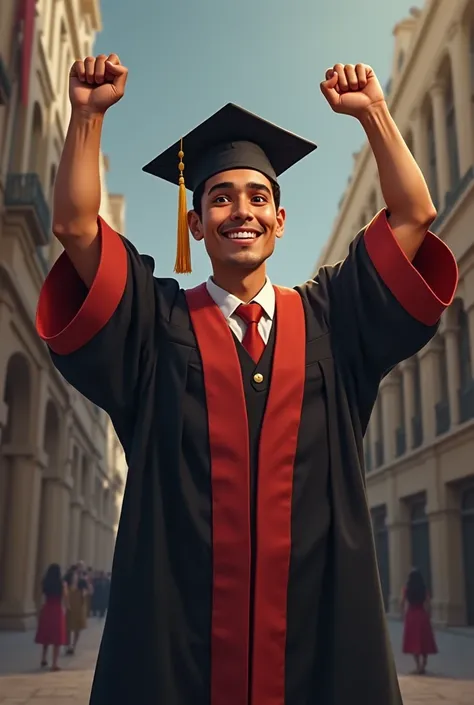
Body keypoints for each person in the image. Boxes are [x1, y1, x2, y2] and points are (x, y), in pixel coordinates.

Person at [35, 53, 458, 705]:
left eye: (259, 196)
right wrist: (87, 117)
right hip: (182, 659)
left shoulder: (331, 318)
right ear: (196, 224)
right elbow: (74, 228)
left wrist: (374, 112)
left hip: (315, 653)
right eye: (221, 196)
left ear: (280, 221)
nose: (243, 210)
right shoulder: (157, 325)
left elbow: (415, 216)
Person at [401, 568, 438, 674]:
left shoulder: (406, 589)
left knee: (413, 642)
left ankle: (418, 666)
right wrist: (428, 615)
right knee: (424, 641)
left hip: (411, 616)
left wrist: (403, 614)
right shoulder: (423, 589)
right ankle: (424, 664)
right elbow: (428, 603)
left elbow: (402, 603)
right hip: (422, 615)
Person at [35, 563, 67, 671]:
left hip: (47, 608)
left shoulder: (45, 582)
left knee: (46, 636)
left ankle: (43, 658)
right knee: (57, 638)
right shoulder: (61, 584)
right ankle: (54, 663)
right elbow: (65, 597)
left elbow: (42, 596)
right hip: (57, 609)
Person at [64, 565, 88, 655]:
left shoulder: (82, 580)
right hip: (71, 602)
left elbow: (88, 591)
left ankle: (73, 645)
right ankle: (69, 645)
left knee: (77, 626)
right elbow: (65, 589)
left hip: (79, 603)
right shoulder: (68, 577)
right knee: (68, 626)